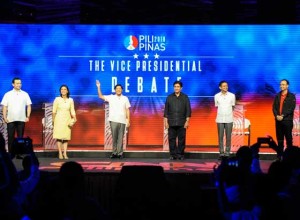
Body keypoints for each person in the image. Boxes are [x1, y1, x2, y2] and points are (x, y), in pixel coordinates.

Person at [96, 80, 131, 159]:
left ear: (122, 90)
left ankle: (120, 153)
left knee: (121, 138)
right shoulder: (111, 97)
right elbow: (100, 96)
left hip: (122, 121)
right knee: (114, 137)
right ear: (115, 90)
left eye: (120, 88)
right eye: (117, 88)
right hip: (113, 120)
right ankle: (114, 152)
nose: (118, 89)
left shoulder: (125, 98)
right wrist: (98, 87)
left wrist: (128, 120)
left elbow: (127, 110)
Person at [1, 77, 32, 159]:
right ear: (13, 84)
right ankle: (11, 153)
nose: (19, 85)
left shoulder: (25, 94)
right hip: (10, 119)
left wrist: (28, 116)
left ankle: (19, 153)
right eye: (17, 83)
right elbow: (4, 106)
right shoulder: (8, 94)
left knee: (20, 138)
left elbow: (29, 106)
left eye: (20, 83)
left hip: (21, 119)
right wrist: (4, 117)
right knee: (10, 137)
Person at [164, 80, 191, 160]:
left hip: (182, 122)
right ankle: (173, 155)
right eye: (175, 87)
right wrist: (166, 122)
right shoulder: (169, 97)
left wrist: (187, 121)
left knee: (181, 140)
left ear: (181, 88)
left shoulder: (185, 97)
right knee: (171, 139)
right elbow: (166, 111)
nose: (176, 88)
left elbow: (188, 110)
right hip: (171, 122)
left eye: (178, 87)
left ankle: (180, 154)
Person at [272, 79, 296, 159]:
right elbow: (274, 107)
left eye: (283, 84)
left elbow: (291, 108)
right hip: (278, 121)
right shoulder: (277, 96)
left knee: (289, 139)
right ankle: (280, 156)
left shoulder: (292, 96)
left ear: (287, 86)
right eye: (280, 84)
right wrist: (276, 116)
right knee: (280, 140)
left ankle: (290, 156)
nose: (281, 86)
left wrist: (282, 115)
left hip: (287, 121)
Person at [52, 85, 77, 160]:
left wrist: (75, 118)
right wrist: (53, 121)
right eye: (62, 89)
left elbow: (72, 110)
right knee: (59, 137)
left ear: (67, 91)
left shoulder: (71, 100)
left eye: (65, 89)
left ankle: (65, 153)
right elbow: (54, 111)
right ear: (60, 91)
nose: (63, 90)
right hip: (58, 119)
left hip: (67, 119)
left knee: (66, 138)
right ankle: (60, 153)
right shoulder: (57, 99)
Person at [214, 80, 236, 158]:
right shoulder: (216, 96)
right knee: (220, 137)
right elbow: (216, 106)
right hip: (219, 119)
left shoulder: (232, 95)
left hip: (229, 119)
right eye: (223, 86)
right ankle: (221, 153)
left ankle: (227, 153)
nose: (225, 87)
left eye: (226, 85)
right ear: (220, 87)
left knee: (228, 137)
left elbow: (233, 106)